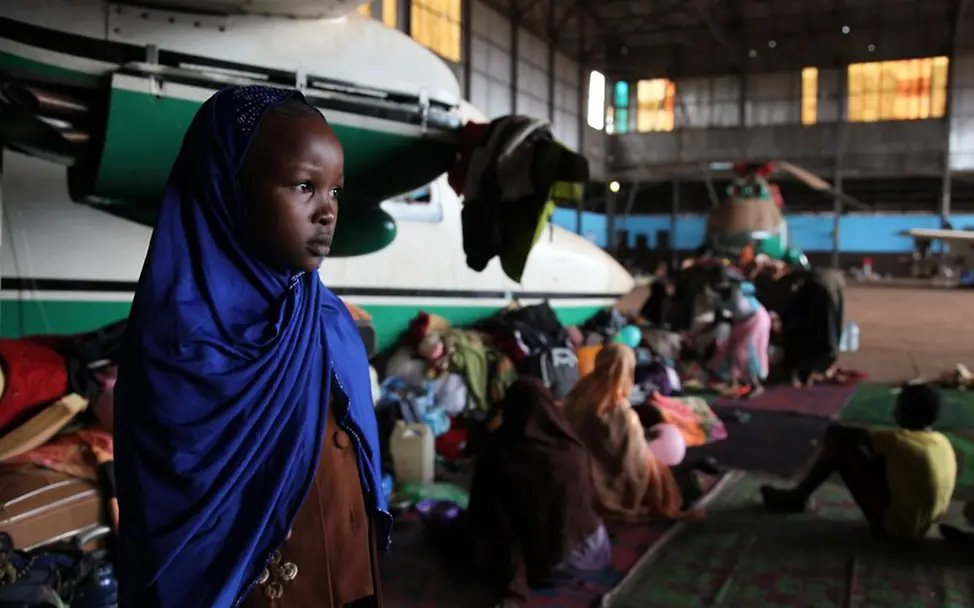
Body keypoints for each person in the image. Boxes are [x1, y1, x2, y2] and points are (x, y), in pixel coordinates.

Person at [113, 86, 389, 608]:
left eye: (335, 191)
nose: (327, 212)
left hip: (350, 579)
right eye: (304, 186)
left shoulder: (326, 317)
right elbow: (171, 518)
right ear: (227, 190)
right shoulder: (178, 346)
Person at [468, 378, 610, 607]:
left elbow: (490, 518)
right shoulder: (572, 448)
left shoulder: (500, 453)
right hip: (596, 550)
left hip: (552, 565)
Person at [761, 383, 956, 540]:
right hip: (925, 524)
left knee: (840, 447)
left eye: (898, 406)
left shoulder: (899, 440)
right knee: (873, 454)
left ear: (907, 412)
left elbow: (838, 433)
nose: (894, 411)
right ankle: (798, 496)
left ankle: (798, 497)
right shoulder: (941, 441)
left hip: (897, 531)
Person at [562, 343, 702, 522]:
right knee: (660, 476)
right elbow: (633, 464)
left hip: (576, 475)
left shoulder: (578, 393)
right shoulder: (619, 412)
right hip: (606, 483)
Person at [777, 267, 846, 387]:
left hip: (822, 287)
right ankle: (819, 367)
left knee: (812, 331)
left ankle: (809, 369)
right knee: (828, 329)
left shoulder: (785, 283)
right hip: (834, 283)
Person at [708, 272, 772, 398]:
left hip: (756, 320)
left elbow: (739, 310)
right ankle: (735, 383)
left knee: (744, 353)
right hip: (741, 322)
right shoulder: (720, 296)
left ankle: (756, 386)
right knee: (730, 350)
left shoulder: (738, 290)